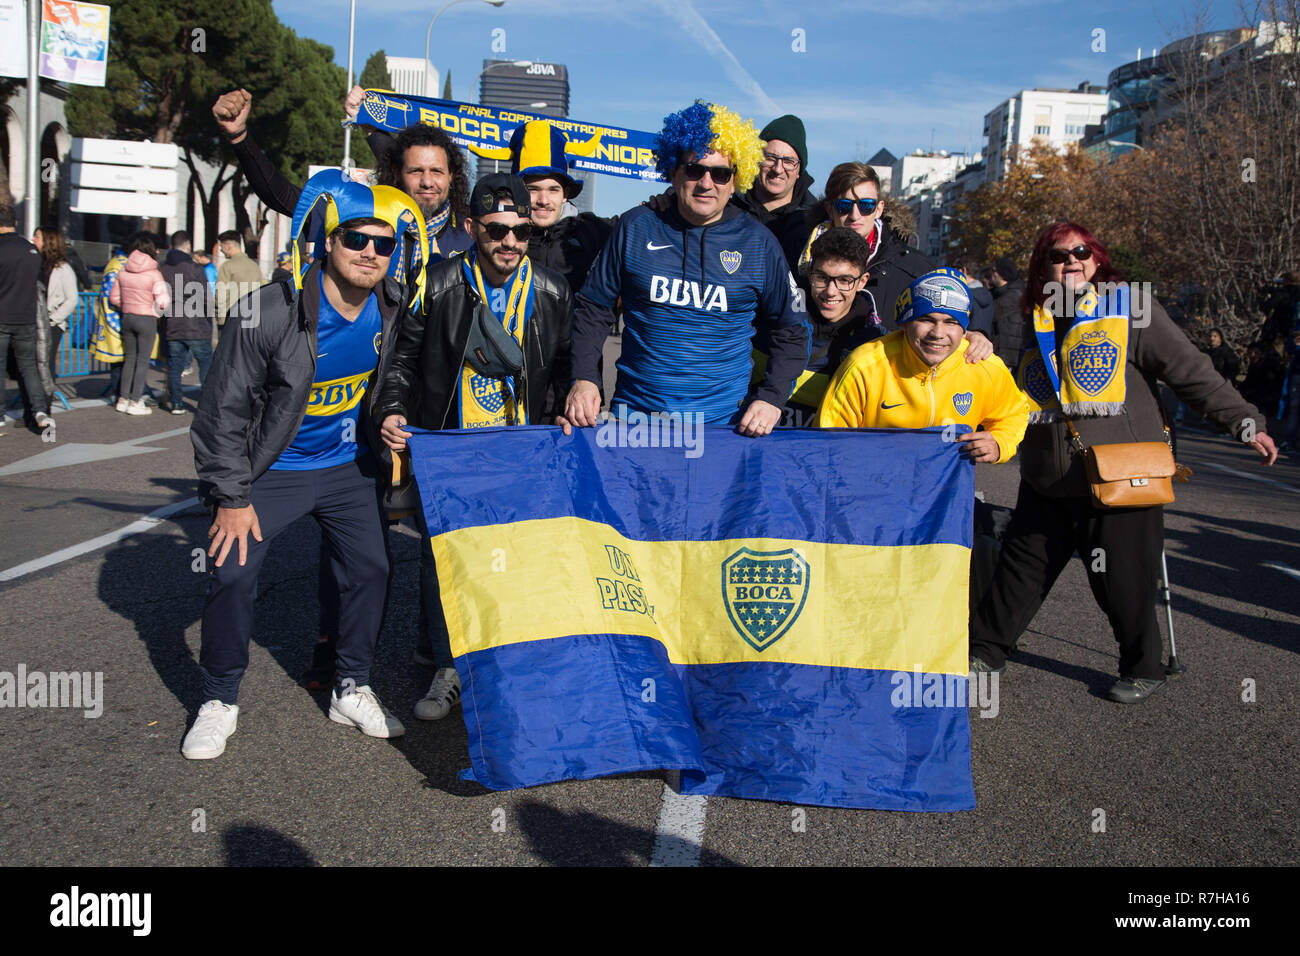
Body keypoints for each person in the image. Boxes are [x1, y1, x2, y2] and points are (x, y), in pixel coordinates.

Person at [968, 222, 1278, 704]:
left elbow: (1190, 371)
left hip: (1120, 472)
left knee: (1123, 582)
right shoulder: (1030, 316)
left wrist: (1244, 421)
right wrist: (976, 342)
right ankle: (985, 652)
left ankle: (1144, 665)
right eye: (1058, 255)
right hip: (1048, 473)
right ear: (1041, 267)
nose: (1071, 262)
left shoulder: (1129, 308)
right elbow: (999, 376)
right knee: (1020, 570)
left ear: (1096, 259)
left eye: (1081, 252)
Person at [185, 176, 424, 759]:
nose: (371, 252)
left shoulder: (392, 307)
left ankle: (352, 685)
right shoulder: (266, 311)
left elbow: (394, 380)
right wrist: (232, 497)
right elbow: (220, 413)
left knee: (371, 570)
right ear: (325, 243)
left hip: (348, 467)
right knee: (233, 573)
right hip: (271, 470)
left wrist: (391, 417)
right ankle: (219, 698)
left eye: (384, 244)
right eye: (355, 239)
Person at [373, 173, 575, 721]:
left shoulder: (553, 291)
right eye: (496, 230)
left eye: (520, 231)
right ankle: (446, 667)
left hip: (520, 453)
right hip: (452, 451)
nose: (509, 242)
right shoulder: (437, 282)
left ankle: (503, 663)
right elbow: (402, 359)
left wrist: (566, 407)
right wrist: (392, 409)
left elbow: (562, 367)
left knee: (514, 561)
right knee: (448, 562)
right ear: (471, 229)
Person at [565, 100, 810, 435]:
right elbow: (593, 308)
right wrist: (584, 378)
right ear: (674, 172)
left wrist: (771, 397)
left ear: (736, 178)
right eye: (695, 170)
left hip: (722, 430)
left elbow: (793, 331)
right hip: (634, 423)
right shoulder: (636, 226)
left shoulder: (759, 243)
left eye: (721, 173)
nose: (707, 183)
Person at [213, 87, 473, 262]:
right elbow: (282, 196)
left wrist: (370, 126)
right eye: (416, 171)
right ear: (398, 174)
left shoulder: (475, 232)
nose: (427, 181)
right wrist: (239, 136)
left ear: (452, 175)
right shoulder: (366, 215)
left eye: (437, 171)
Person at [817, 267, 1029, 466]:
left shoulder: (982, 365)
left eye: (951, 322)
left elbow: (1014, 413)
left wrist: (1000, 443)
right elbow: (829, 440)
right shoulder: (865, 365)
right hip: (874, 492)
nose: (938, 333)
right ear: (905, 322)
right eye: (927, 319)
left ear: (964, 329)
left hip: (944, 495)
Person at [785, 162, 994, 353]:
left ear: (879, 209)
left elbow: (953, 311)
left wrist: (976, 334)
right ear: (830, 209)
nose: (855, 215)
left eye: (866, 205)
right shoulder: (801, 260)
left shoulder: (913, 266)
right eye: (845, 206)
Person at [753, 226, 882, 426]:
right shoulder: (768, 320)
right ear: (809, 273)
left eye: (844, 280)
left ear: (862, 281)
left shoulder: (873, 342)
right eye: (822, 278)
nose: (831, 291)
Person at [470, 119, 613, 296]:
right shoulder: (492, 233)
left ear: (565, 193)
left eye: (553, 190)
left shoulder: (596, 232)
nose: (543, 200)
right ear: (516, 190)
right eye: (533, 189)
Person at [0, 204, 54, 436]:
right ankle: (40, 410)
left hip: (1, 316)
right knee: (29, 366)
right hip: (27, 317)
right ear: (16, 222)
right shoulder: (31, 250)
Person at [108, 233, 169, 416]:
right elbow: (163, 302)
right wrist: (156, 313)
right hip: (146, 318)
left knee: (130, 359)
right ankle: (136, 401)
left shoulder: (123, 270)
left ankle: (123, 399)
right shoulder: (154, 273)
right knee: (143, 361)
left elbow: (114, 297)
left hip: (127, 317)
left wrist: (126, 306)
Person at [159, 230, 214, 414]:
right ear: (188, 246)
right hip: (196, 324)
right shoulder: (195, 268)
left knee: (175, 365)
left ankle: (176, 403)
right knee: (205, 364)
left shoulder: (163, 269)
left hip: (173, 323)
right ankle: (206, 405)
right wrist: (208, 320)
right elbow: (206, 299)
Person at [33, 227, 78, 401]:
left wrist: (54, 318)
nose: (33, 239)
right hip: (33, 321)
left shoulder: (63, 268)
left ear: (48, 241)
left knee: (46, 363)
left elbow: (72, 298)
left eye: (37, 237)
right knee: (33, 364)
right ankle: (33, 404)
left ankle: (44, 403)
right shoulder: (35, 262)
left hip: (51, 323)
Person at [214, 230, 262, 326]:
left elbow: (221, 295)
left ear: (228, 246)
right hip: (251, 320)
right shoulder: (255, 267)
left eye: (221, 246)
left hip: (230, 321)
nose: (221, 250)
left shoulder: (227, 266)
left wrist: (219, 318)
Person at [987, 256, 1027, 366]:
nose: (991, 273)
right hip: (1000, 352)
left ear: (1002, 273)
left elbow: (990, 313)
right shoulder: (997, 293)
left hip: (1009, 356)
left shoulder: (1015, 295)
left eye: (993, 270)